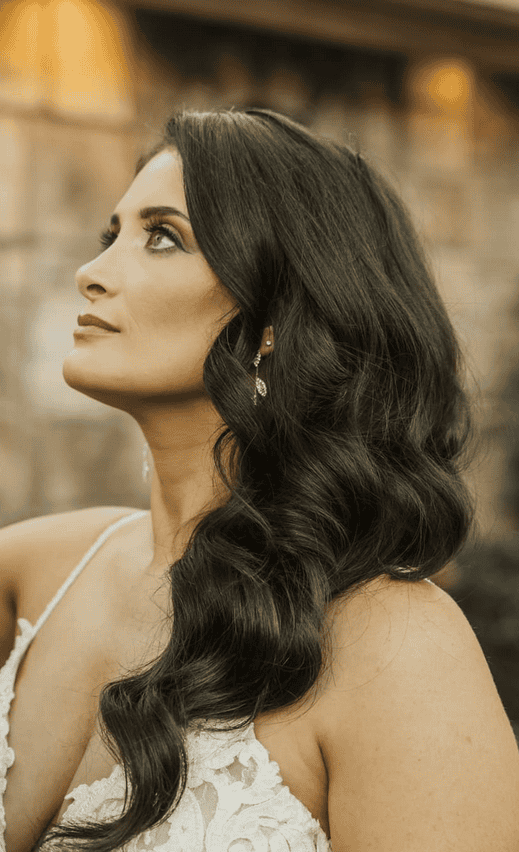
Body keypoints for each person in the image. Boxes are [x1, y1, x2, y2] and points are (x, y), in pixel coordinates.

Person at [1, 108, 518, 852]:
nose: (94, 272)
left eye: (162, 236)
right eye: (110, 235)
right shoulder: (40, 571)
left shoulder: (396, 649)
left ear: (274, 317)